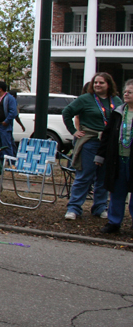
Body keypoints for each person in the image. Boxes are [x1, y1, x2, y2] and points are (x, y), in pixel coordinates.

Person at [62, 72, 121, 220]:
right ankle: (74, 208)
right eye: (95, 83)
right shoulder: (85, 99)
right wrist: (74, 131)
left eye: (101, 83)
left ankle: (100, 207)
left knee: (103, 177)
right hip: (90, 142)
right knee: (84, 175)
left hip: (108, 144)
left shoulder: (116, 101)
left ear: (108, 84)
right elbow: (67, 112)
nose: (97, 85)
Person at [94, 79, 133, 234]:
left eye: (130, 92)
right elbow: (108, 135)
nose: (126, 94)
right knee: (117, 191)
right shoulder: (119, 112)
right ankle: (114, 222)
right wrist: (100, 156)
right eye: (125, 92)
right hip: (118, 159)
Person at [0, 80, 18, 163]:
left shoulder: (9, 98)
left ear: (0, 89)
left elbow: (13, 112)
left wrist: (7, 121)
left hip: (4, 126)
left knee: (6, 144)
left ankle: (10, 161)